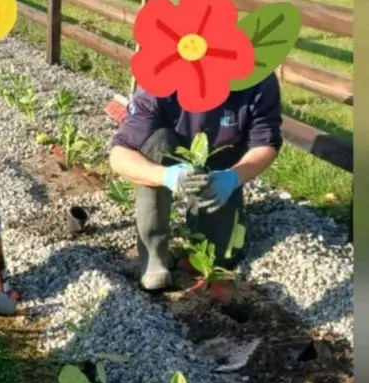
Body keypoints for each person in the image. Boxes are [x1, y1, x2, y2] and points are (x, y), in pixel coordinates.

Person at [109, 74, 283, 291]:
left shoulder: (258, 78)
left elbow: (266, 143)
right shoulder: (161, 76)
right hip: (169, 154)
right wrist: (166, 176)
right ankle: (153, 256)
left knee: (221, 256)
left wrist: (233, 178)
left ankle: (199, 244)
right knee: (155, 142)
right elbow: (120, 155)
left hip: (222, 165)